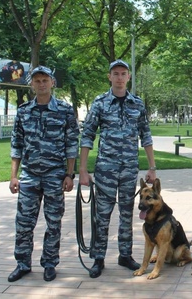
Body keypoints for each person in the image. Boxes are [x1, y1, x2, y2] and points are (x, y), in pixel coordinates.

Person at [79, 59, 157, 278]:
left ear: (128, 77)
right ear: (109, 76)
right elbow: (87, 136)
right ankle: (98, 258)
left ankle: (125, 255)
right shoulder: (100, 102)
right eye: (116, 74)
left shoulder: (137, 104)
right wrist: (83, 169)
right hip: (105, 169)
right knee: (101, 215)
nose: (120, 77)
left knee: (127, 214)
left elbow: (146, 135)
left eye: (124, 74)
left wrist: (152, 167)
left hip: (129, 169)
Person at [8, 65, 80, 282]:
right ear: (31, 84)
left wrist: (70, 174)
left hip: (55, 176)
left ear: (52, 83)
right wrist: (14, 176)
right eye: (37, 80)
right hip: (29, 176)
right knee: (23, 223)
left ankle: (49, 263)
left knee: (54, 222)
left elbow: (71, 145)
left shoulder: (65, 111)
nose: (41, 84)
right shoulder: (23, 111)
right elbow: (16, 145)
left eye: (45, 80)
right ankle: (22, 263)